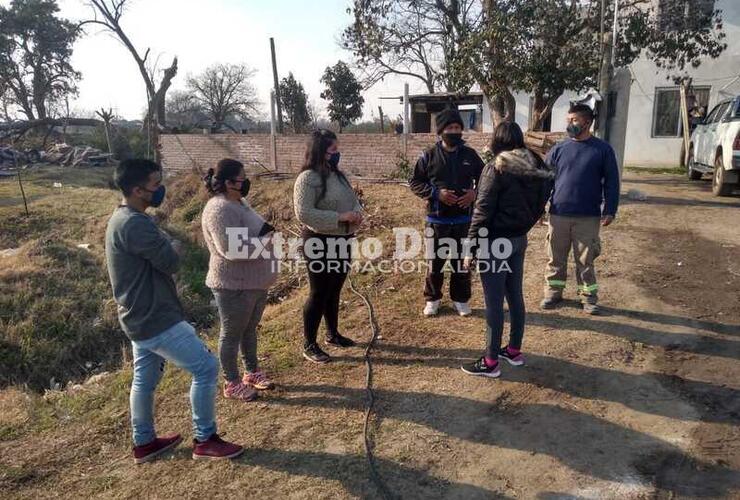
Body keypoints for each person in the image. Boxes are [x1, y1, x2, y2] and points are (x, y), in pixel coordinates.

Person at [105, 159, 243, 463]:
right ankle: (205, 439)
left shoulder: (120, 218)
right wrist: (171, 243)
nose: (160, 189)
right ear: (138, 190)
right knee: (206, 368)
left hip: (136, 316)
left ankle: (144, 442)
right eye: (155, 184)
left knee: (143, 379)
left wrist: (166, 242)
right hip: (156, 317)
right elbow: (171, 260)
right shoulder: (135, 223)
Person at [460, 122, 554, 378]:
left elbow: (482, 210)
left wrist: (470, 247)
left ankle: (490, 361)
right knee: (514, 295)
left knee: (493, 302)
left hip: (495, 243)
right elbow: (543, 199)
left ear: (498, 141)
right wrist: (527, 223)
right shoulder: (536, 165)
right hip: (518, 239)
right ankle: (513, 350)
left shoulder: (496, 167)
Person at [201, 158, 279, 403]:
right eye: (241, 179)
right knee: (231, 334)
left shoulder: (238, 202)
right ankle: (231, 382)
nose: (246, 183)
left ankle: (251, 372)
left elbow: (256, 230)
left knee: (249, 330)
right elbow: (230, 249)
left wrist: (266, 234)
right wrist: (265, 242)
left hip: (254, 282)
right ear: (227, 182)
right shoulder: (219, 209)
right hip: (232, 283)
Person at [541, 104, 620, 315]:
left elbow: (612, 182)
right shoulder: (558, 149)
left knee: (585, 261)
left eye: (573, 120)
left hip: (588, 216)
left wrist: (610, 209)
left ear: (587, 122)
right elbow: (544, 180)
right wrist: (540, 206)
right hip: (558, 214)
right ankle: (553, 292)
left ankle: (588, 297)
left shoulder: (602, 150)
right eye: (568, 120)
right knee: (555, 257)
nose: (569, 124)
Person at [293, 129, 363, 364]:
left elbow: (354, 201)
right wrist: (340, 217)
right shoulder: (307, 179)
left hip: (342, 240)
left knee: (335, 289)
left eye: (337, 149)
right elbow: (303, 212)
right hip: (319, 241)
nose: (337, 153)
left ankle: (333, 334)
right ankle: (309, 344)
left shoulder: (338, 176)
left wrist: (357, 214)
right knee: (318, 292)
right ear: (320, 152)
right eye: (333, 150)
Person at [408, 108, 485, 317]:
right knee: (435, 262)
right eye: (450, 128)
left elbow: (486, 178)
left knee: (461, 262)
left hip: (463, 220)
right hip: (437, 220)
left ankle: (460, 299)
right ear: (441, 131)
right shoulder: (429, 156)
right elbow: (414, 182)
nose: (454, 131)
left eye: (458, 128)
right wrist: (435, 193)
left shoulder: (470, 155)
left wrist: (474, 193)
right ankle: (433, 299)